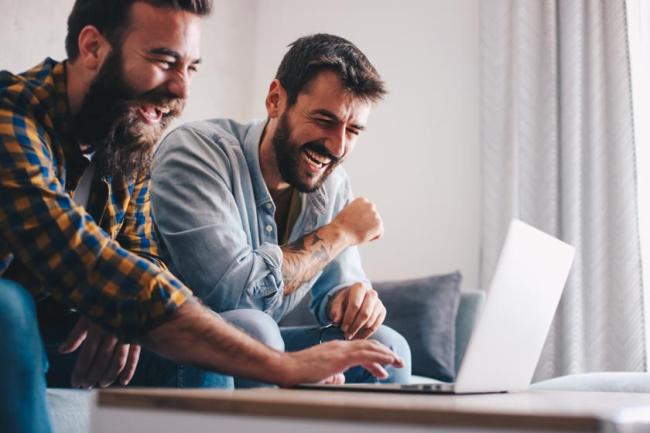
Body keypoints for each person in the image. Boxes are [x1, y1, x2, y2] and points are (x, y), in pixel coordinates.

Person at [0, 2, 404, 432]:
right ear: (93, 47)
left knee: (381, 348)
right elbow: (71, 250)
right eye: (163, 60)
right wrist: (282, 366)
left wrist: (352, 297)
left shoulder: (126, 139)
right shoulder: (13, 116)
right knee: (10, 303)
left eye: (191, 67)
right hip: (23, 328)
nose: (181, 89)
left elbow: (142, 255)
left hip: (75, 335)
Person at [150, 33, 412, 387]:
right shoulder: (196, 152)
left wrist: (355, 302)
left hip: (261, 341)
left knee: (386, 349)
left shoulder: (332, 182)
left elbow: (339, 286)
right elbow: (233, 294)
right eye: (324, 120)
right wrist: (340, 232)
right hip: (180, 347)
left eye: (353, 130)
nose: (337, 146)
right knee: (256, 329)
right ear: (275, 100)